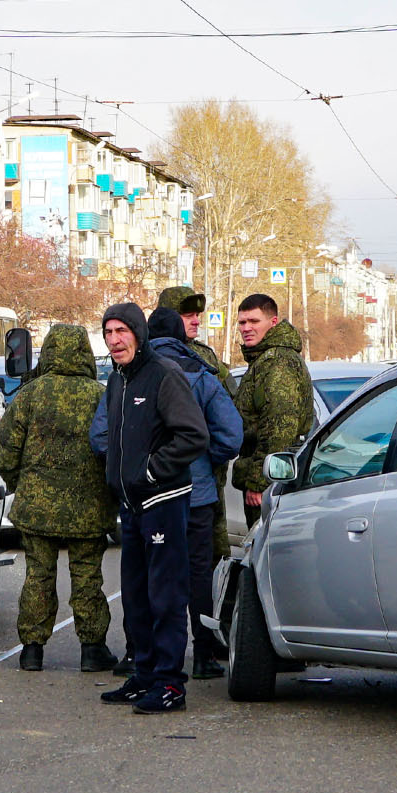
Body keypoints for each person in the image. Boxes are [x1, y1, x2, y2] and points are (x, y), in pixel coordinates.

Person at [91, 303, 209, 714]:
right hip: (131, 506)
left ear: (138, 333)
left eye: (121, 331)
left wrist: (151, 470)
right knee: (136, 596)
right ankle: (143, 675)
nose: (114, 340)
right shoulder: (117, 380)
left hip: (162, 501)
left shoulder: (164, 375)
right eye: (108, 332)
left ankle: (170, 683)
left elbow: (193, 435)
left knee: (165, 596)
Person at [0, 324, 120, 673]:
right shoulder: (100, 394)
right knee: (87, 576)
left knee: (37, 575)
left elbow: (7, 448)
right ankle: (92, 648)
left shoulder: (31, 394)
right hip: (89, 506)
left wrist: (19, 483)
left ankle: (32, 650)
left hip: (37, 505)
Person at [145, 307, 242, 680]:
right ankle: (203, 655)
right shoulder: (202, 376)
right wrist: (205, 462)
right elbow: (231, 435)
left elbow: (102, 436)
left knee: (152, 574)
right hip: (196, 494)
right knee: (198, 574)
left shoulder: (135, 377)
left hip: (149, 494)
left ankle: (146, 656)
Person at [156, 284, 236, 569]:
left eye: (197, 315)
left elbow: (228, 416)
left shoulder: (208, 358)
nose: (196, 321)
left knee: (210, 558)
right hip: (163, 482)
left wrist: (207, 456)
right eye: (187, 314)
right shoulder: (145, 357)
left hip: (208, 483)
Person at [232, 293, 316, 528]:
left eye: (254, 321)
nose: (246, 328)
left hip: (271, 483)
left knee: (266, 553)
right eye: (242, 322)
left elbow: (279, 427)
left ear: (273, 322)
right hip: (271, 478)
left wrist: (259, 481)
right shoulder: (264, 359)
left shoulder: (276, 362)